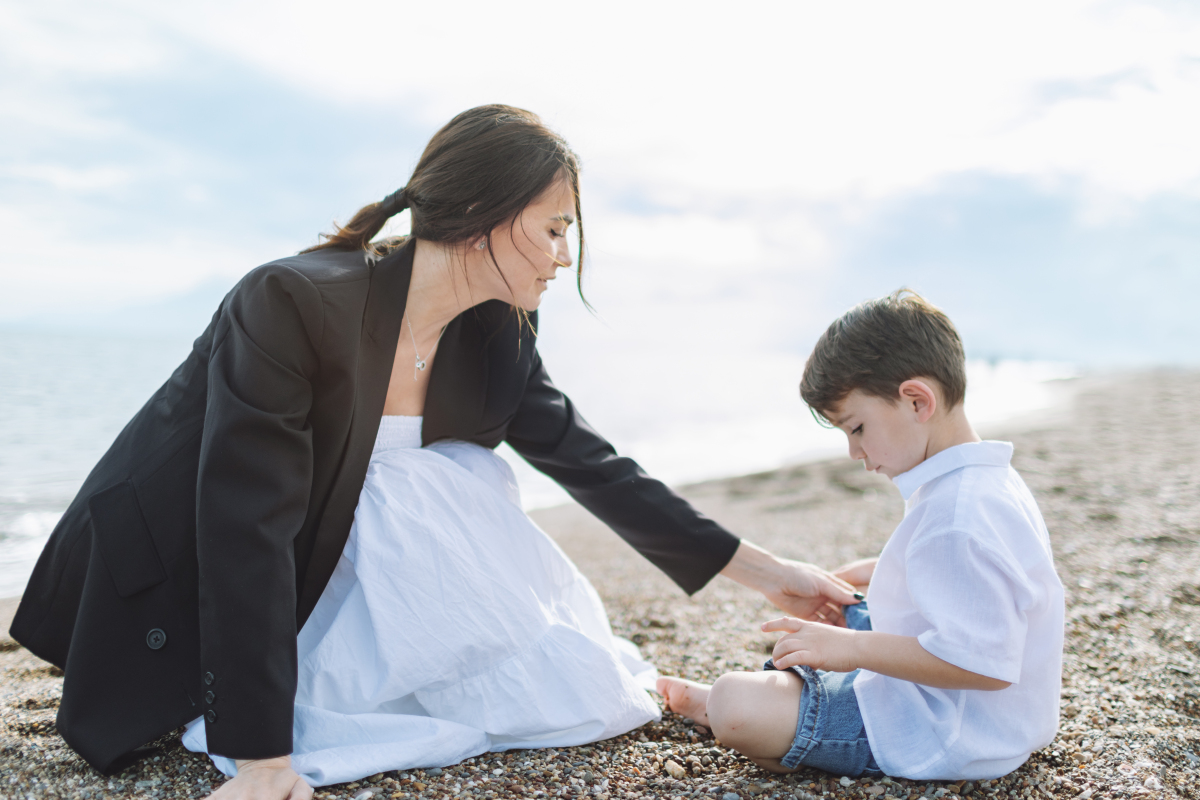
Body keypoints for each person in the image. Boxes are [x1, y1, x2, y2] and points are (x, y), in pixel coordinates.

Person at [10, 105, 860, 799]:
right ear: (487, 215)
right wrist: (263, 759)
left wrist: (769, 574)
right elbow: (245, 520)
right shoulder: (293, 301)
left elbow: (591, 465)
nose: (564, 256)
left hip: (319, 571)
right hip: (175, 571)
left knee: (567, 678)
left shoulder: (496, 334)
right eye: (554, 228)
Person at [657, 290, 1065, 780]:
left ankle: (737, 710)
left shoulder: (958, 516)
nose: (854, 452)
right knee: (848, 610)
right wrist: (890, 571)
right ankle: (800, 699)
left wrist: (850, 650)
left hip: (951, 730)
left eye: (857, 428)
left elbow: (985, 665)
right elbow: (995, 583)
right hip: (990, 716)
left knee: (734, 704)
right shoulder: (984, 482)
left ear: (917, 401)